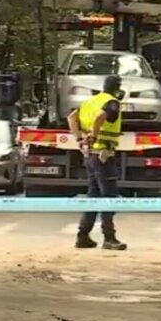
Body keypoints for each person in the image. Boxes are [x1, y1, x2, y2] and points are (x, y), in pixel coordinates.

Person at [67, 75, 128, 251]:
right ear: (117, 88)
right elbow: (101, 116)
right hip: (104, 155)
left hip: (90, 155)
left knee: (93, 196)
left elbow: (71, 117)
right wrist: (93, 134)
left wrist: (79, 137)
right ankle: (109, 238)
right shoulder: (112, 102)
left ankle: (83, 236)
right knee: (108, 196)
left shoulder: (90, 101)